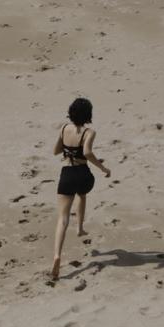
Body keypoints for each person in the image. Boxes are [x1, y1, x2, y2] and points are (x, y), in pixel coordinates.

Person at [50, 97, 111, 281]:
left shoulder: (63, 128)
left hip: (67, 173)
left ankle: (57, 256)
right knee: (82, 194)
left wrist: (67, 147)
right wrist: (102, 167)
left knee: (62, 218)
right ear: (88, 115)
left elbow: (55, 151)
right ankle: (80, 228)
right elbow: (87, 153)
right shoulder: (89, 132)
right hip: (83, 174)